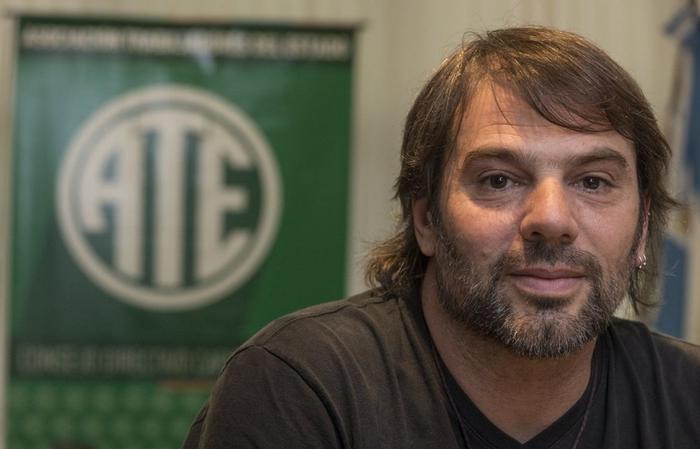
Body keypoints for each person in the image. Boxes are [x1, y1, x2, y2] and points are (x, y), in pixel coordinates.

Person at [183, 26, 700, 449]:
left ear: (642, 228)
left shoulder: (688, 398)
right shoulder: (303, 385)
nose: (551, 218)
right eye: (499, 180)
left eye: (593, 182)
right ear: (425, 217)